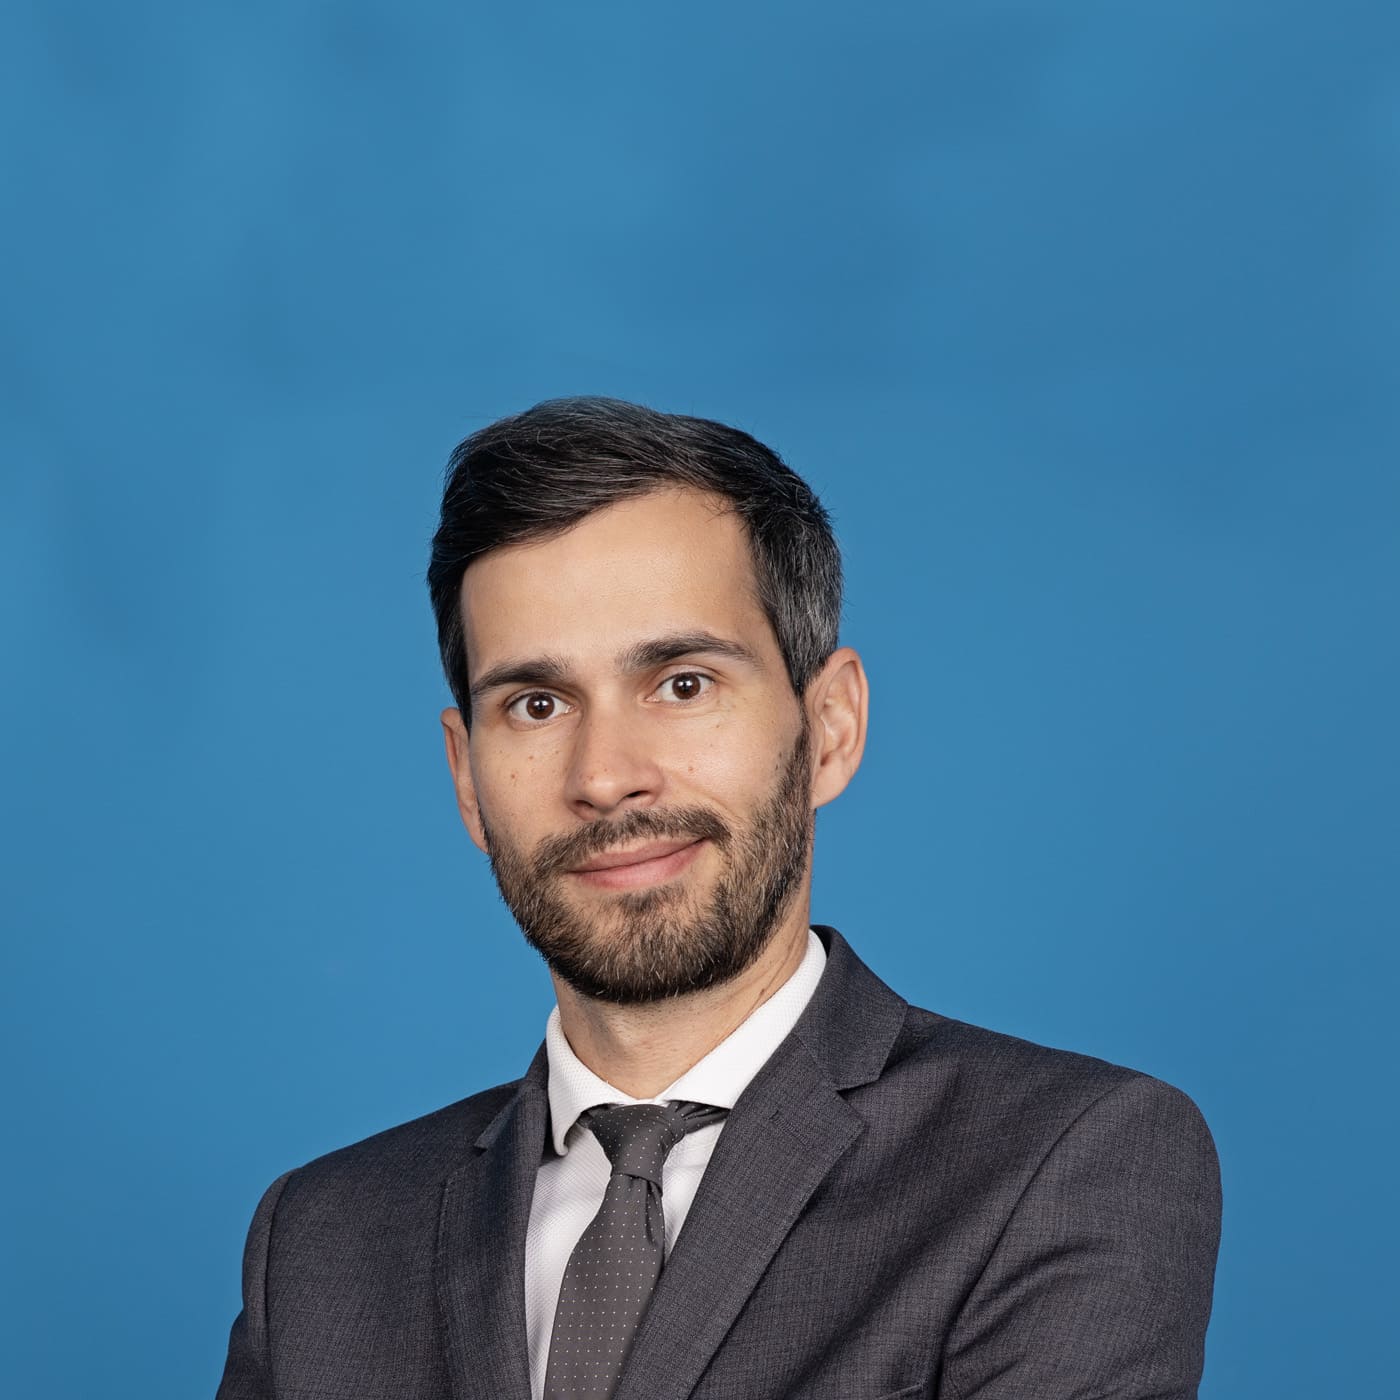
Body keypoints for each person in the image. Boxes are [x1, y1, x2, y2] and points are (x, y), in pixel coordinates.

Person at [216, 397, 1221, 1400]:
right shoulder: (320, 1237)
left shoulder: (1057, 1161)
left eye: (682, 683)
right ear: (467, 777)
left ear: (827, 725)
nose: (605, 775)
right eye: (535, 703)